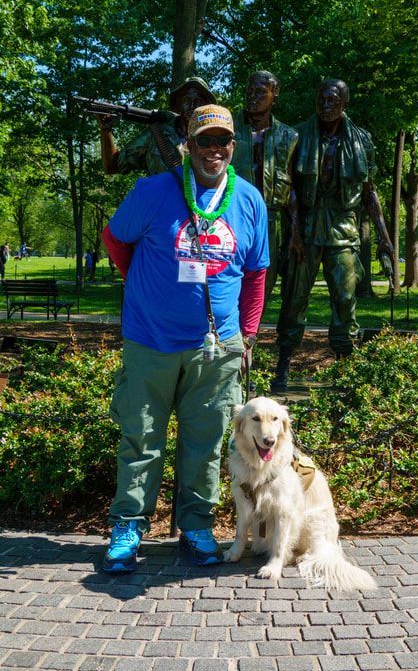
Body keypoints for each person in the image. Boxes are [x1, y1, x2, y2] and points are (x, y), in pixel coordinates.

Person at [101, 103, 269, 572]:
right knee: (141, 437)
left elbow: (256, 273)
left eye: (222, 141)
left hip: (217, 348)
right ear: (187, 145)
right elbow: (114, 239)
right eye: (204, 141)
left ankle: (195, 527)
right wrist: (142, 285)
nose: (214, 149)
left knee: (206, 441)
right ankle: (128, 527)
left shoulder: (249, 200)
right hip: (150, 340)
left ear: (233, 146)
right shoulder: (153, 191)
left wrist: (247, 335)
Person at [272, 78, 393, 391]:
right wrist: (294, 232)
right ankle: (283, 364)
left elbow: (369, 191)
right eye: (322, 99)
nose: (326, 106)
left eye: (333, 101)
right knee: (294, 297)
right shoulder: (298, 135)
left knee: (345, 298)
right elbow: (290, 189)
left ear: (344, 103)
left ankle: (345, 367)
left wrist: (384, 236)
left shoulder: (361, 140)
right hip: (307, 227)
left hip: (343, 227)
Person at [231, 70, 299, 305]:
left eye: (260, 92)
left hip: (270, 222)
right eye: (249, 91)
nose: (252, 96)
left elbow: (293, 187)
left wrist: (295, 231)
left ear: (274, 96)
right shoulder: (228, 128)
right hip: (232, 216)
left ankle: (252, 329)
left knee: (261, 286)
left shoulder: (289, 136)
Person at [97, 77, 216, 176]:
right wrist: (105, 129)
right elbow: (112, 166)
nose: (192, 105)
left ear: (207, 106)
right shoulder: (157, 134)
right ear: (178, 103)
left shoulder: (217, 139)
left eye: (198, 100)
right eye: (186, 100)